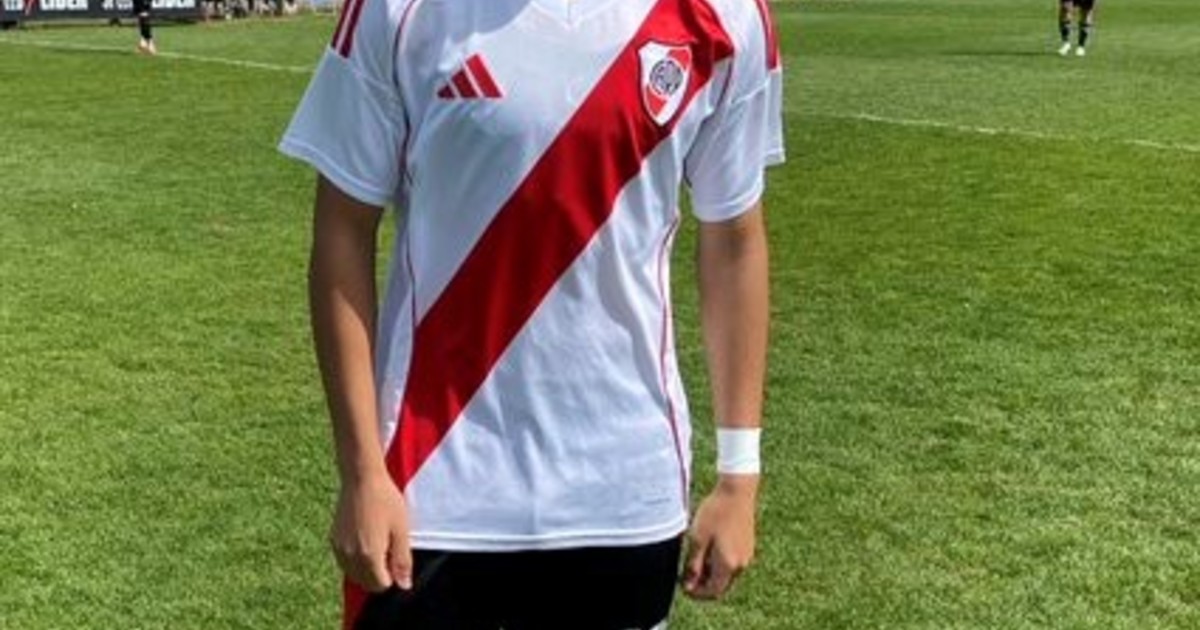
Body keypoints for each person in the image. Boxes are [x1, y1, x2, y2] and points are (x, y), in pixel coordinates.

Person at [279, 0, 784, 627]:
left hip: (622, 493)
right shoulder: (397, 10)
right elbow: (342, 231)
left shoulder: (725, 14)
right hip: (429, 493)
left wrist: (739, 477)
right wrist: (361, 472)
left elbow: (734, 242)